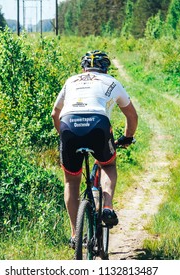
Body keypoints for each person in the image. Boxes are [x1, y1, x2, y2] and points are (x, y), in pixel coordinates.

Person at [51, 50, 138, 247]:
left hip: (68, 125)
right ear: (106, 68)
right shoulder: (111, 82)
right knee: (108, 165)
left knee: (71, 182)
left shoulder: (71, 81)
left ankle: (75, 235)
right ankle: (107, 206)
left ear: (83, 68)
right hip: (98, 124)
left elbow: (55, 113)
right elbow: (132, 116)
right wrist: (128, 137)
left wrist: (64, 136)